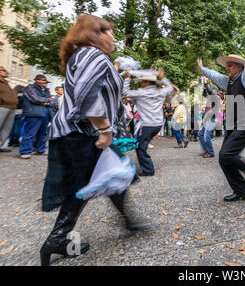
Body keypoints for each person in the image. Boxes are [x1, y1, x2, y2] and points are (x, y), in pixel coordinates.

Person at [40, 14, 152, 266]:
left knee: (113, 174)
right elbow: (86, 95)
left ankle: (127, 220)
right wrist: (105, 129)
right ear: (96, 34)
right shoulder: (93, 55)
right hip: (85, 132)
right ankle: (56, 239)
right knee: (84, 185)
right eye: (109, 32)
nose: (113, 37)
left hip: (76, 131)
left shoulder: (83, 56)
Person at [197, 49, 245, 202]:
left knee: (226, 155)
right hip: (232, 125)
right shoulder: (229, 81)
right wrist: (202, 69)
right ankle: (241, 191)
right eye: (227, 65)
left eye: (230, 65)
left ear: (240, 67)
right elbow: (215, 75)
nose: (227, 67)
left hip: (244, 125)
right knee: (224, 159)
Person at [122, 68, 173, 176]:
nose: (141, 84)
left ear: (147, 82)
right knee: (141, 145)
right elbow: (170, 87)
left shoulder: (141, 92)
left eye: (142, 82)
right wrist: (163, 78)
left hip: (147, 125)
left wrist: (127, 79)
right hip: (158, 124)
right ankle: (146, 167)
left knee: (140, 147)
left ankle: (148, 170)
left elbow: (125, 92)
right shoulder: (160, 92)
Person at [19, 75, 55, 158]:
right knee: (30, 133)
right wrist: (47, 100)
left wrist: (44, 101)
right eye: (39, 79)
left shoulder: (46, 90)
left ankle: (40, 149)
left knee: (43, 133)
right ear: (35, 80)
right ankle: (25, 151)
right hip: (34, 113)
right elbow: (35, 98)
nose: (41, 81)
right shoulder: (30, 87)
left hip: (45, 113)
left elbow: (52, 102)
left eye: (43, 80)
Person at [199, 79, 223, 157]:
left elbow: (209, 92)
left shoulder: (216, 97)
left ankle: (211, 152)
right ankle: (206, 150)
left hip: (212, 118)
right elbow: (205, 94)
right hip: (208, 118)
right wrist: (204, 88)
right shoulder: (211, 97)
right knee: (200, 134)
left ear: (214, 91)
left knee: (207, 136)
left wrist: (206, 84)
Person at [0, 66, 18, 152]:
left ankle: (2, 146)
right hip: (2, 107)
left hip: (11, 108)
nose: (5, 72)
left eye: (5, 70)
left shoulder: (6, 83)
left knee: (6, 128)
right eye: (3, 70)